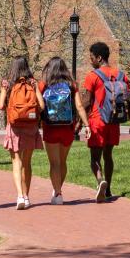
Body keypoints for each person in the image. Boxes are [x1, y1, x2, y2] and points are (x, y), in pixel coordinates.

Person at [79, 42, 130, 202]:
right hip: (113, 121)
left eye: (91, 58)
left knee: (94, 158)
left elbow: (87, 103)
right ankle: (109, 189)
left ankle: (100, 181)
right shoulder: (121, 75)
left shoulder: (93, 76)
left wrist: (79, 122)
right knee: (108, 155)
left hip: (98, 121)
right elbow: (128, 102)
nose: (91, 61)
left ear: (99, 58)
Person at [39, 57, 86, 205]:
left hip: (50, 128)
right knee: (63, 162)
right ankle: (58, 190)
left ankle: (57, 193)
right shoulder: (72, 85)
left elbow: (38, 104)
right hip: (67, 128)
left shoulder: (44, 85)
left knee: (54, 163)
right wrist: (87, 125)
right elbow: (79, 106)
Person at [1, 56, 44, 210]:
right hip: (31, 126)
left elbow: (0, 105)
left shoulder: (8, 83)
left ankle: (19, 195)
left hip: (14, 126)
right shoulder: (33, 83)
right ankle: (26, 197)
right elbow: (42, 106)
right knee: (27, 163)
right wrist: (37, 89)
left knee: (16, 162)